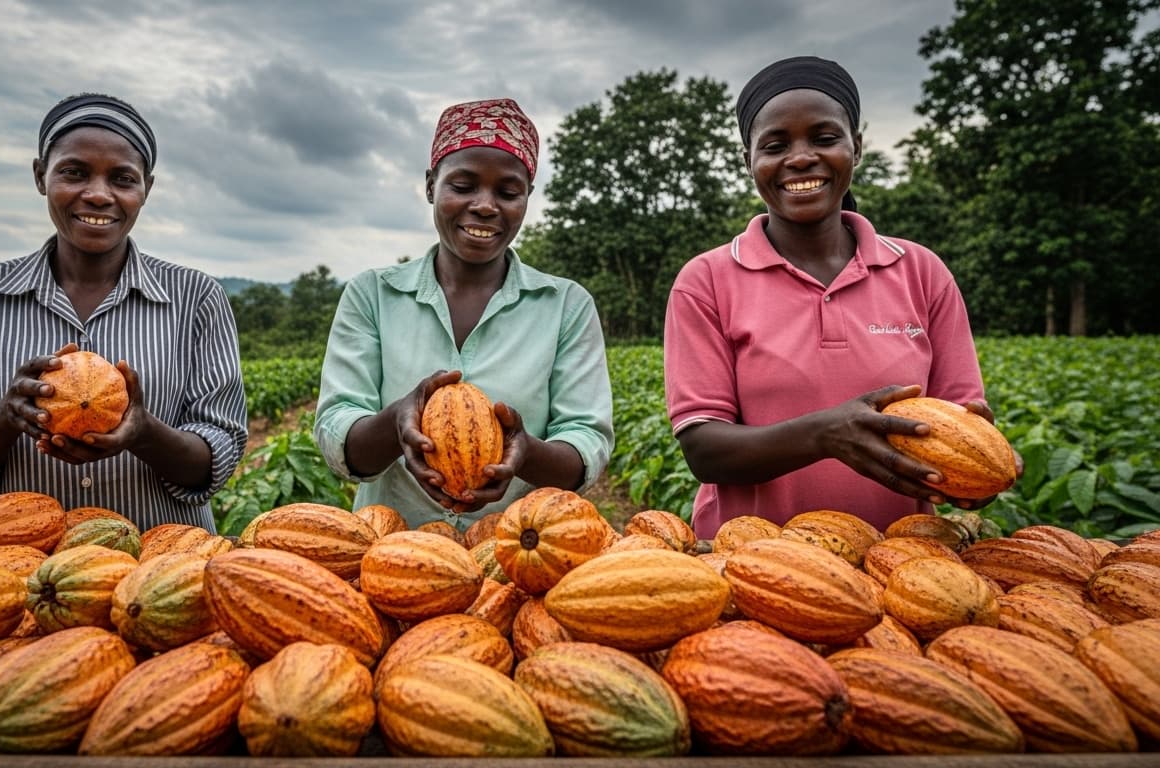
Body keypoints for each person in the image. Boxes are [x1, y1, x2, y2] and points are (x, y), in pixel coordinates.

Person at [664, 56, 1008, 539]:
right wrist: (825, 435)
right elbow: (704, 450)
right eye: (775, 144)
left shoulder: (921, 272)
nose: (801, 157)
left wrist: (980, 470)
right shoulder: (707, 280)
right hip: (755, 566)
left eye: (824, 138)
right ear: (749, 162)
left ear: (856, 148)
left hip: (904, 562)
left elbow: (960, 429)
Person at [0, 93, 247, 532]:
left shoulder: (196, 297)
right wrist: (5, 418)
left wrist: (143, 433)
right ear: (40, 175)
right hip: (16, 570)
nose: (99, 195)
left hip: (160, 574)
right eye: (74, 172)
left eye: (122, 179)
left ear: (146, 189)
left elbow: (216, 461)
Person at [314, 98, 614, 532]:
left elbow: (585, 442)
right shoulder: (373, 294)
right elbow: (339, 431)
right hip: (390, 554)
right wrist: (397, 422)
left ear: (527, 198)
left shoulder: (565, 304)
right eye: (463, 185)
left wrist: (524, 452)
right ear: (431, 185)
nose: (485, 205)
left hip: (517, 558)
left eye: (508, 192)